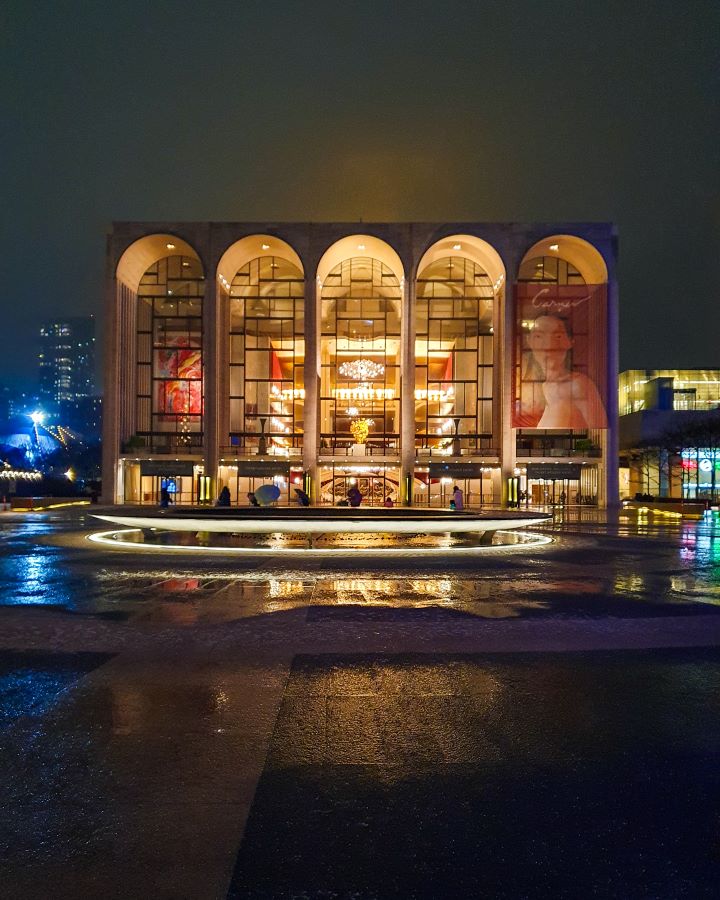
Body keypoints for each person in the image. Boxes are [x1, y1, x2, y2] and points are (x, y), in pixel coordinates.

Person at [522, 314, 607, 429]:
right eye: (539, 336)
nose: (549, 345)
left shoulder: (578, 385)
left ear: (570, 341)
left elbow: (601, 432)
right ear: (529, 341)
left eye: (558, 336)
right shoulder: (531, 388)